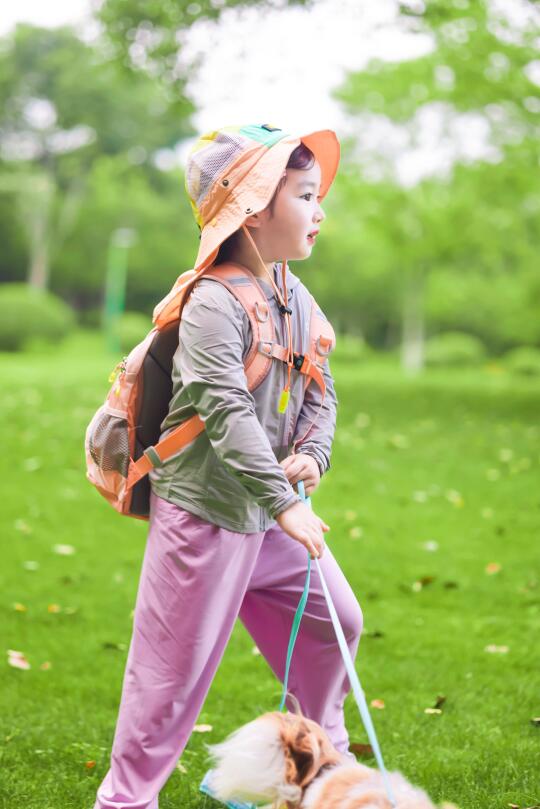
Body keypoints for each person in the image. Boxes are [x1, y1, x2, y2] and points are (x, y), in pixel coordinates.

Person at [93, 123, 364, 809]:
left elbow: (321, 389)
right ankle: (126, 799)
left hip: (268, 510)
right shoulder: (213, 302)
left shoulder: (294, 296)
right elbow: (225, 412)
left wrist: (314, 452)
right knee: (170, 675)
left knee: (337, 617)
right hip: (207, 514)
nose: (320, 210)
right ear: (253, 206)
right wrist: (286, 501)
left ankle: (319, 756)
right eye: (306, 195)